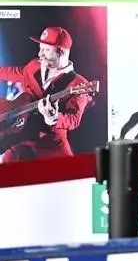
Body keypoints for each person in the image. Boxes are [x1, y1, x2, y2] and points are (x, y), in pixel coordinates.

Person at [0, 26, 97, 162]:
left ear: (61, 52)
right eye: (40, 48)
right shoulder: (34, 65)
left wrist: (54, 118)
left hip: (50, 146)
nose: (40, 54)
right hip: (20, 138)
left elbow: (74, 118)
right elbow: (18, 72)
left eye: (46, 50)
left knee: (70, 179)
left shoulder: (78, 84)